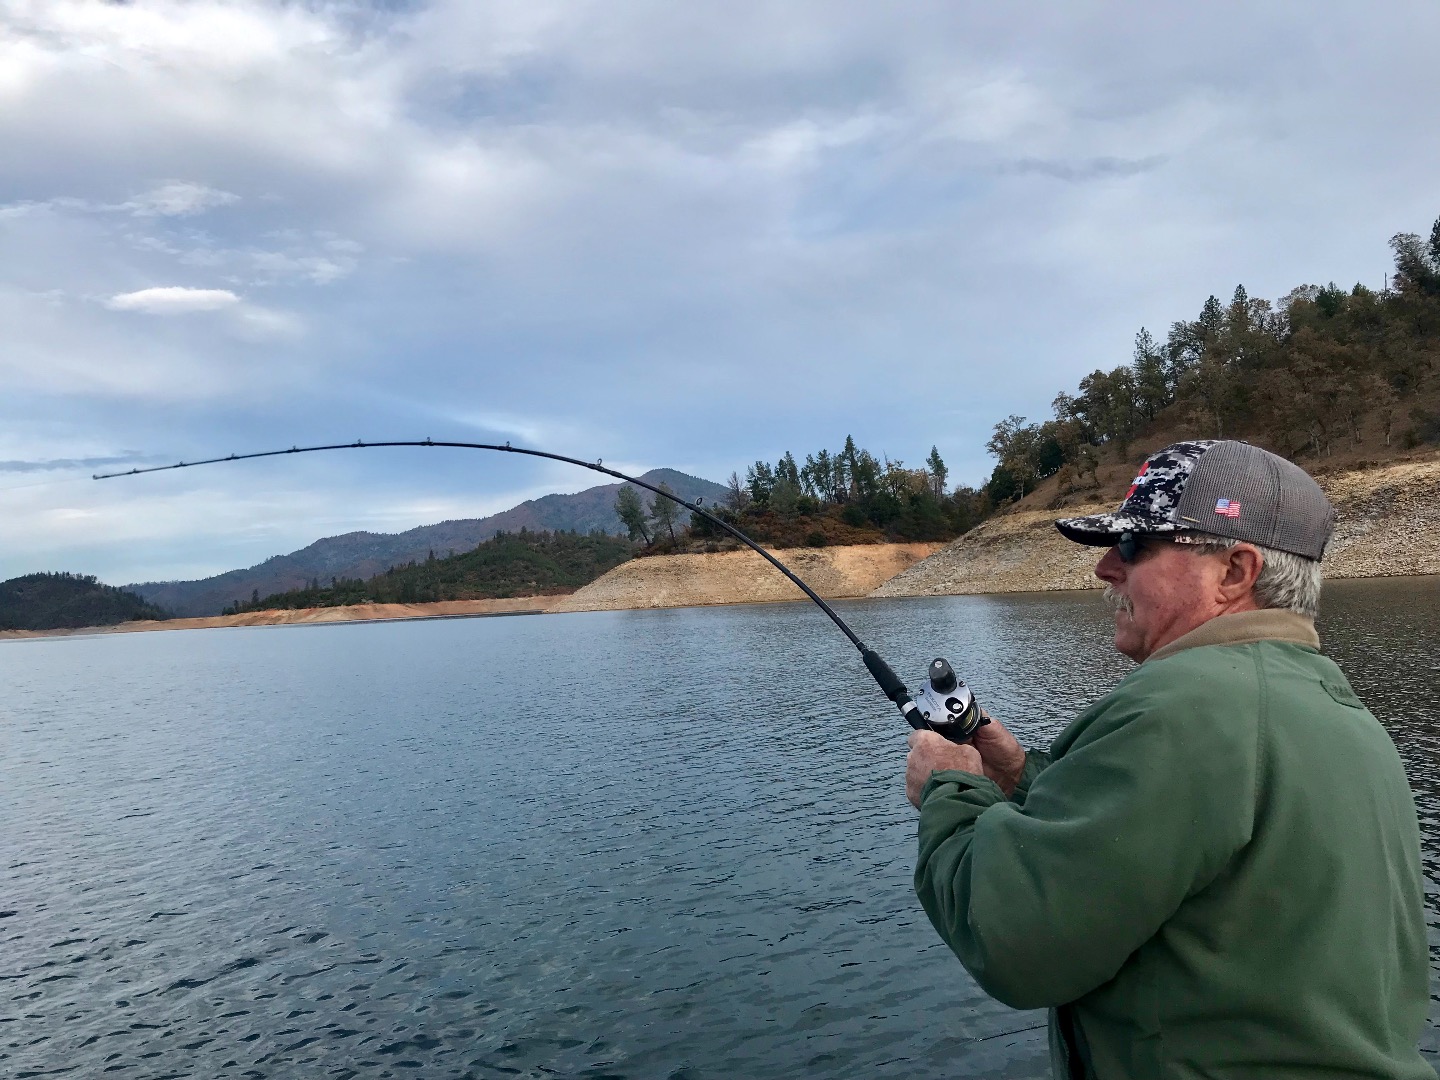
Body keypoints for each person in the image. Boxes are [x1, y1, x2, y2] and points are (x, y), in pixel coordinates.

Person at [905, 440, 1432, 1080]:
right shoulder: (1338, 712)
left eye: (1133, 548)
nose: (1104, 568)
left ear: (1236, 571)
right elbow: (1185, 841)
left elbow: (1012, 941)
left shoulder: (1182, 708)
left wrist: (950, 791)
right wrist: (1021, 777)